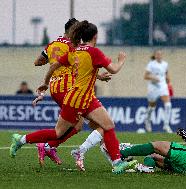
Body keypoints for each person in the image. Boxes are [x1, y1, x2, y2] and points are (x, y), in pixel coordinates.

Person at [10, 20, 136, 174]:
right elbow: (114, 69)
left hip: (87, 98)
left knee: (108, 125)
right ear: (95, 36)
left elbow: (55, 66)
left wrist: (45, 83)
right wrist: (121, 60)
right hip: (75, 99)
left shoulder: (74, 52)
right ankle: (21, 140)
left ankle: (116, 163)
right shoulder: (93, 52)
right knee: (58, 132)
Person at [32, 18, 112, 166]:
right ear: (72, 30)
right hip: (69, 88)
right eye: (77, 30)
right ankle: (48, 146)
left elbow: (37, 62)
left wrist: (50, 67)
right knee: (86, 124)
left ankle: (51, 146)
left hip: (55, 88)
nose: (79, 33)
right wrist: (99, 76)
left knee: (85, 124)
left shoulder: (52, 44)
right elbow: (80, 66)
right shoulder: (72, 46)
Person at [144, 50, 173, 133]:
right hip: (153, 87)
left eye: (160, 54)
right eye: (157, 54)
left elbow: (166, 75)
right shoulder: (151, 64)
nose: (159, 55)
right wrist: (153, 77)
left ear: (162, 55)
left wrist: (169, 83)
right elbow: (145, 76)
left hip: (163, 86)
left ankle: (166, 125)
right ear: (155, 55)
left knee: (168, 105)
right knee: (152, 107)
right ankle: (147, 121)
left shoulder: (165, 64)